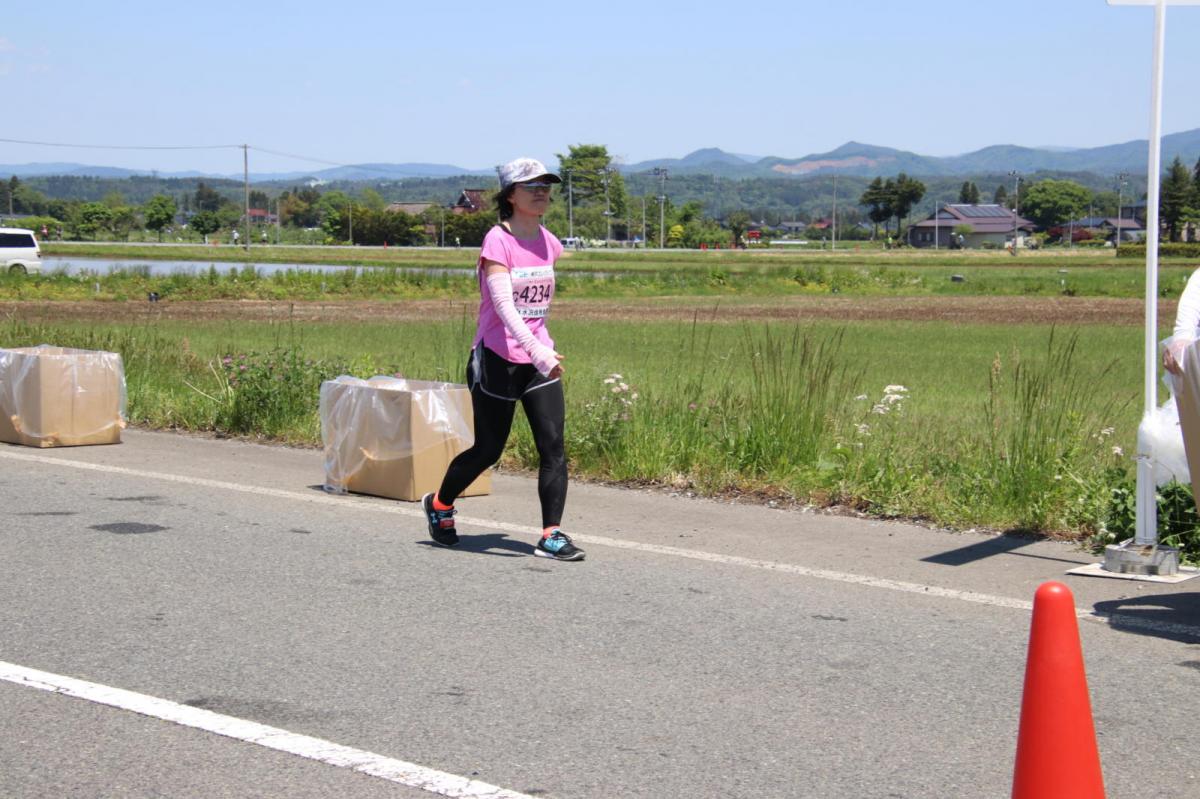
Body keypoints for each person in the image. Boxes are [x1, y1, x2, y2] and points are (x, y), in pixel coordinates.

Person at [422, 157, 584, 562]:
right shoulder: (498, 240)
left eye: (546, 186)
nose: (541, 192)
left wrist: (541, 351)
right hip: (498, 357)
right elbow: (505, 307)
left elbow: (537, 308)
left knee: (553, 447)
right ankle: (440, 504)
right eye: (531, 186)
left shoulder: (550, 242)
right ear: (510, 195)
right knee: (488, 450)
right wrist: (536, 350)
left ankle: (551, 534)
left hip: (539, 362)